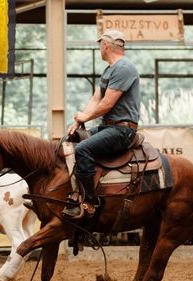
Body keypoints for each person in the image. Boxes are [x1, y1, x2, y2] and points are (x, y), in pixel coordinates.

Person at [63, 29, 140, 219]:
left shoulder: (124, 68)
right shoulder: (110, 70)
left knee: (82, 150)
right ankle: (71, 193)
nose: (99, 48)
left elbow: (106, 104)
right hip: (109, 127)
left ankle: (90, 200)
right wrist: (78, 121)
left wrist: (83, 118)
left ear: (106, 45)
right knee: (70, 141)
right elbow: (96, 98)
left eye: (99, 45)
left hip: (122, 130)